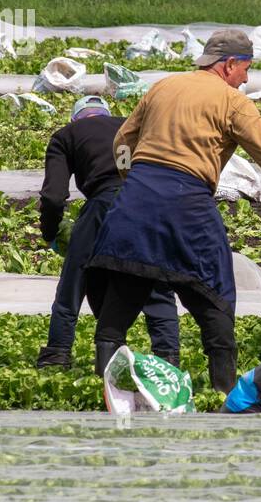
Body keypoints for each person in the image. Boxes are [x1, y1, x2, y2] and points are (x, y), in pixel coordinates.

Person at [87, 29, 261, 388]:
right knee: (215, 293)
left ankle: (104, 385)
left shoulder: (163, 86)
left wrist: (135, 179)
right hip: (187, 203)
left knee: (126, 289)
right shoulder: (233, 102)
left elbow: (122, 141)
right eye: (246, 69)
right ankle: (223, 388)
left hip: (135, 203)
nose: (247, 79)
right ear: (230, 64)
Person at [36, 96, 180, 369]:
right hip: (146, 205)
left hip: (102, 205)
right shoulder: (132, 127)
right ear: (108, 114)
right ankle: (168, 358)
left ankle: (57, 353)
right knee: (156, 283)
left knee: (74, 281)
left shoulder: (66, 135)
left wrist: (51, 233)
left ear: (75, 119)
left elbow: (53, 197)